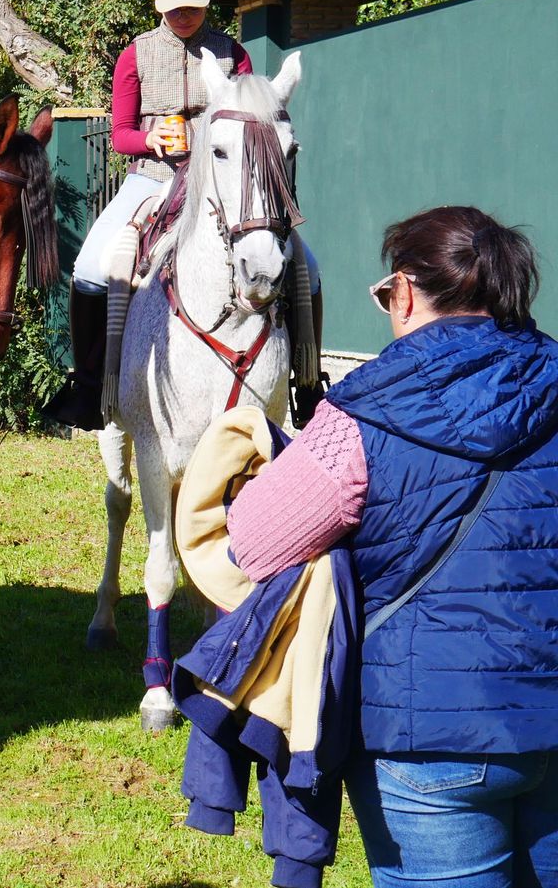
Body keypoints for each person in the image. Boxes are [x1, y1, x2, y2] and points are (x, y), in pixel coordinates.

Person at [225, 205, 558, 887]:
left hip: (425, 743)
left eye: (385, 297)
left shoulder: (361, 412)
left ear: (403, 291)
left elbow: (253, 543)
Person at [44, 0, 321, 430]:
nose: (184, 15)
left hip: (222, 180)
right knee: (90, 265)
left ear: (206, 4)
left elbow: (253, 124)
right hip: (153, 177)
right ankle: (89, 386)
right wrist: (150, 139)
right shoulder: (135, 55)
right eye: (175, 7)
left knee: (307, 267)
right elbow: (121, 135)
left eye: (192, 6)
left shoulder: (235, 54)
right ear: (158, 6)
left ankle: (307, 383)